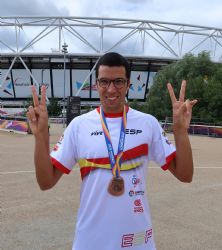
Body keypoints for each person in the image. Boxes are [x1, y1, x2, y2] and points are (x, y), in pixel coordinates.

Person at [27, 52, 197, 250]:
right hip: (90, 241)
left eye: (118, 82)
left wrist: (180, 131)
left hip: (137, 242)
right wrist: (41, 136)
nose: (110, 89)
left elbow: (185, 175)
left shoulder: (147, 123)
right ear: (96, 83)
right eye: (104, 82)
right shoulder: (79, 126)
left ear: (128, 83)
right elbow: (45, 182)